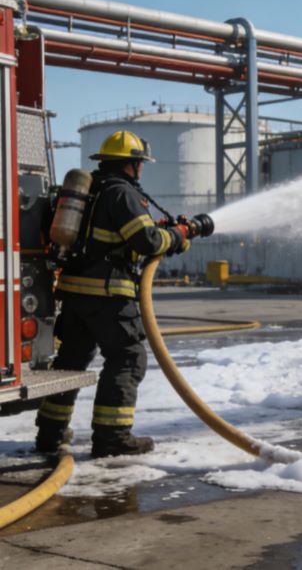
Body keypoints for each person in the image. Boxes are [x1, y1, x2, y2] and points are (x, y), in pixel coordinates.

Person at [35, 130, 192, 457]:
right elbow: (146, 243)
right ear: (132, 165)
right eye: (140, 164)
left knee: (70, 363)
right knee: (127, 358)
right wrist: (177, 235)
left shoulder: (90, 190)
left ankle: (50, 434)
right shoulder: (122, 194)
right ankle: (112, 437)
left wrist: (164, 230)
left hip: (74, 294)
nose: (142, 170)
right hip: (108, 295)